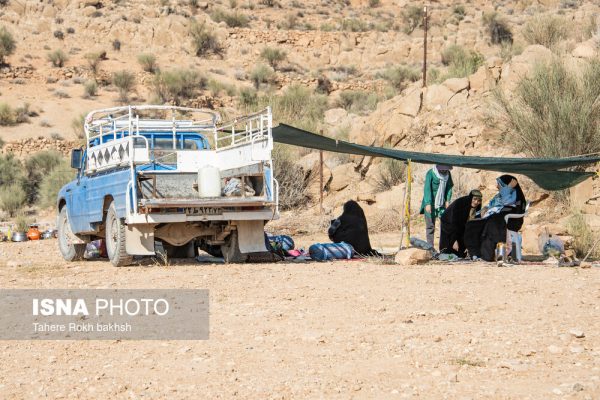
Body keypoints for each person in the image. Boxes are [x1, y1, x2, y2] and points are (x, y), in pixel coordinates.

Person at [463, 175, 526, 261]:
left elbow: (506, 202)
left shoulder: (513, 194)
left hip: (506, 221)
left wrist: (508, 188)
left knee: (483, 227)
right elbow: (492, 204)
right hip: (493, 217)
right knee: (471, 224)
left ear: (505, 185)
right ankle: (475, 253)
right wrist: (485, 208)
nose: (497, 186)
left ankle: (486, 255)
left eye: (499, 184)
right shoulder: (501, 194)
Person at [439, 189, 483, 257]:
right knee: (449, 250)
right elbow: (455, 223)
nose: (476, 202)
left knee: (461, 253)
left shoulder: (477, 206)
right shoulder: (461, 204)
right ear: (470, 198)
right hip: (448, 221)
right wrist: (454, 240)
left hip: (461, 224)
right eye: (474, 199)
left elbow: (475, 225)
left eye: (479, 200)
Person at [419, 165, 454, 249]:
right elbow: (427, 188)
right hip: (430, 203)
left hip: (441, 204)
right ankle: (430, 249)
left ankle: (443, 248)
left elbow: (449, 187)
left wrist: (447, 200)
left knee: (445, 225)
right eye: (442, 170)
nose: (443, 171)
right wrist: (427, 203)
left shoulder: (448, 174)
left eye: (445, 170)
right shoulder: (431, 173)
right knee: (430, 226)